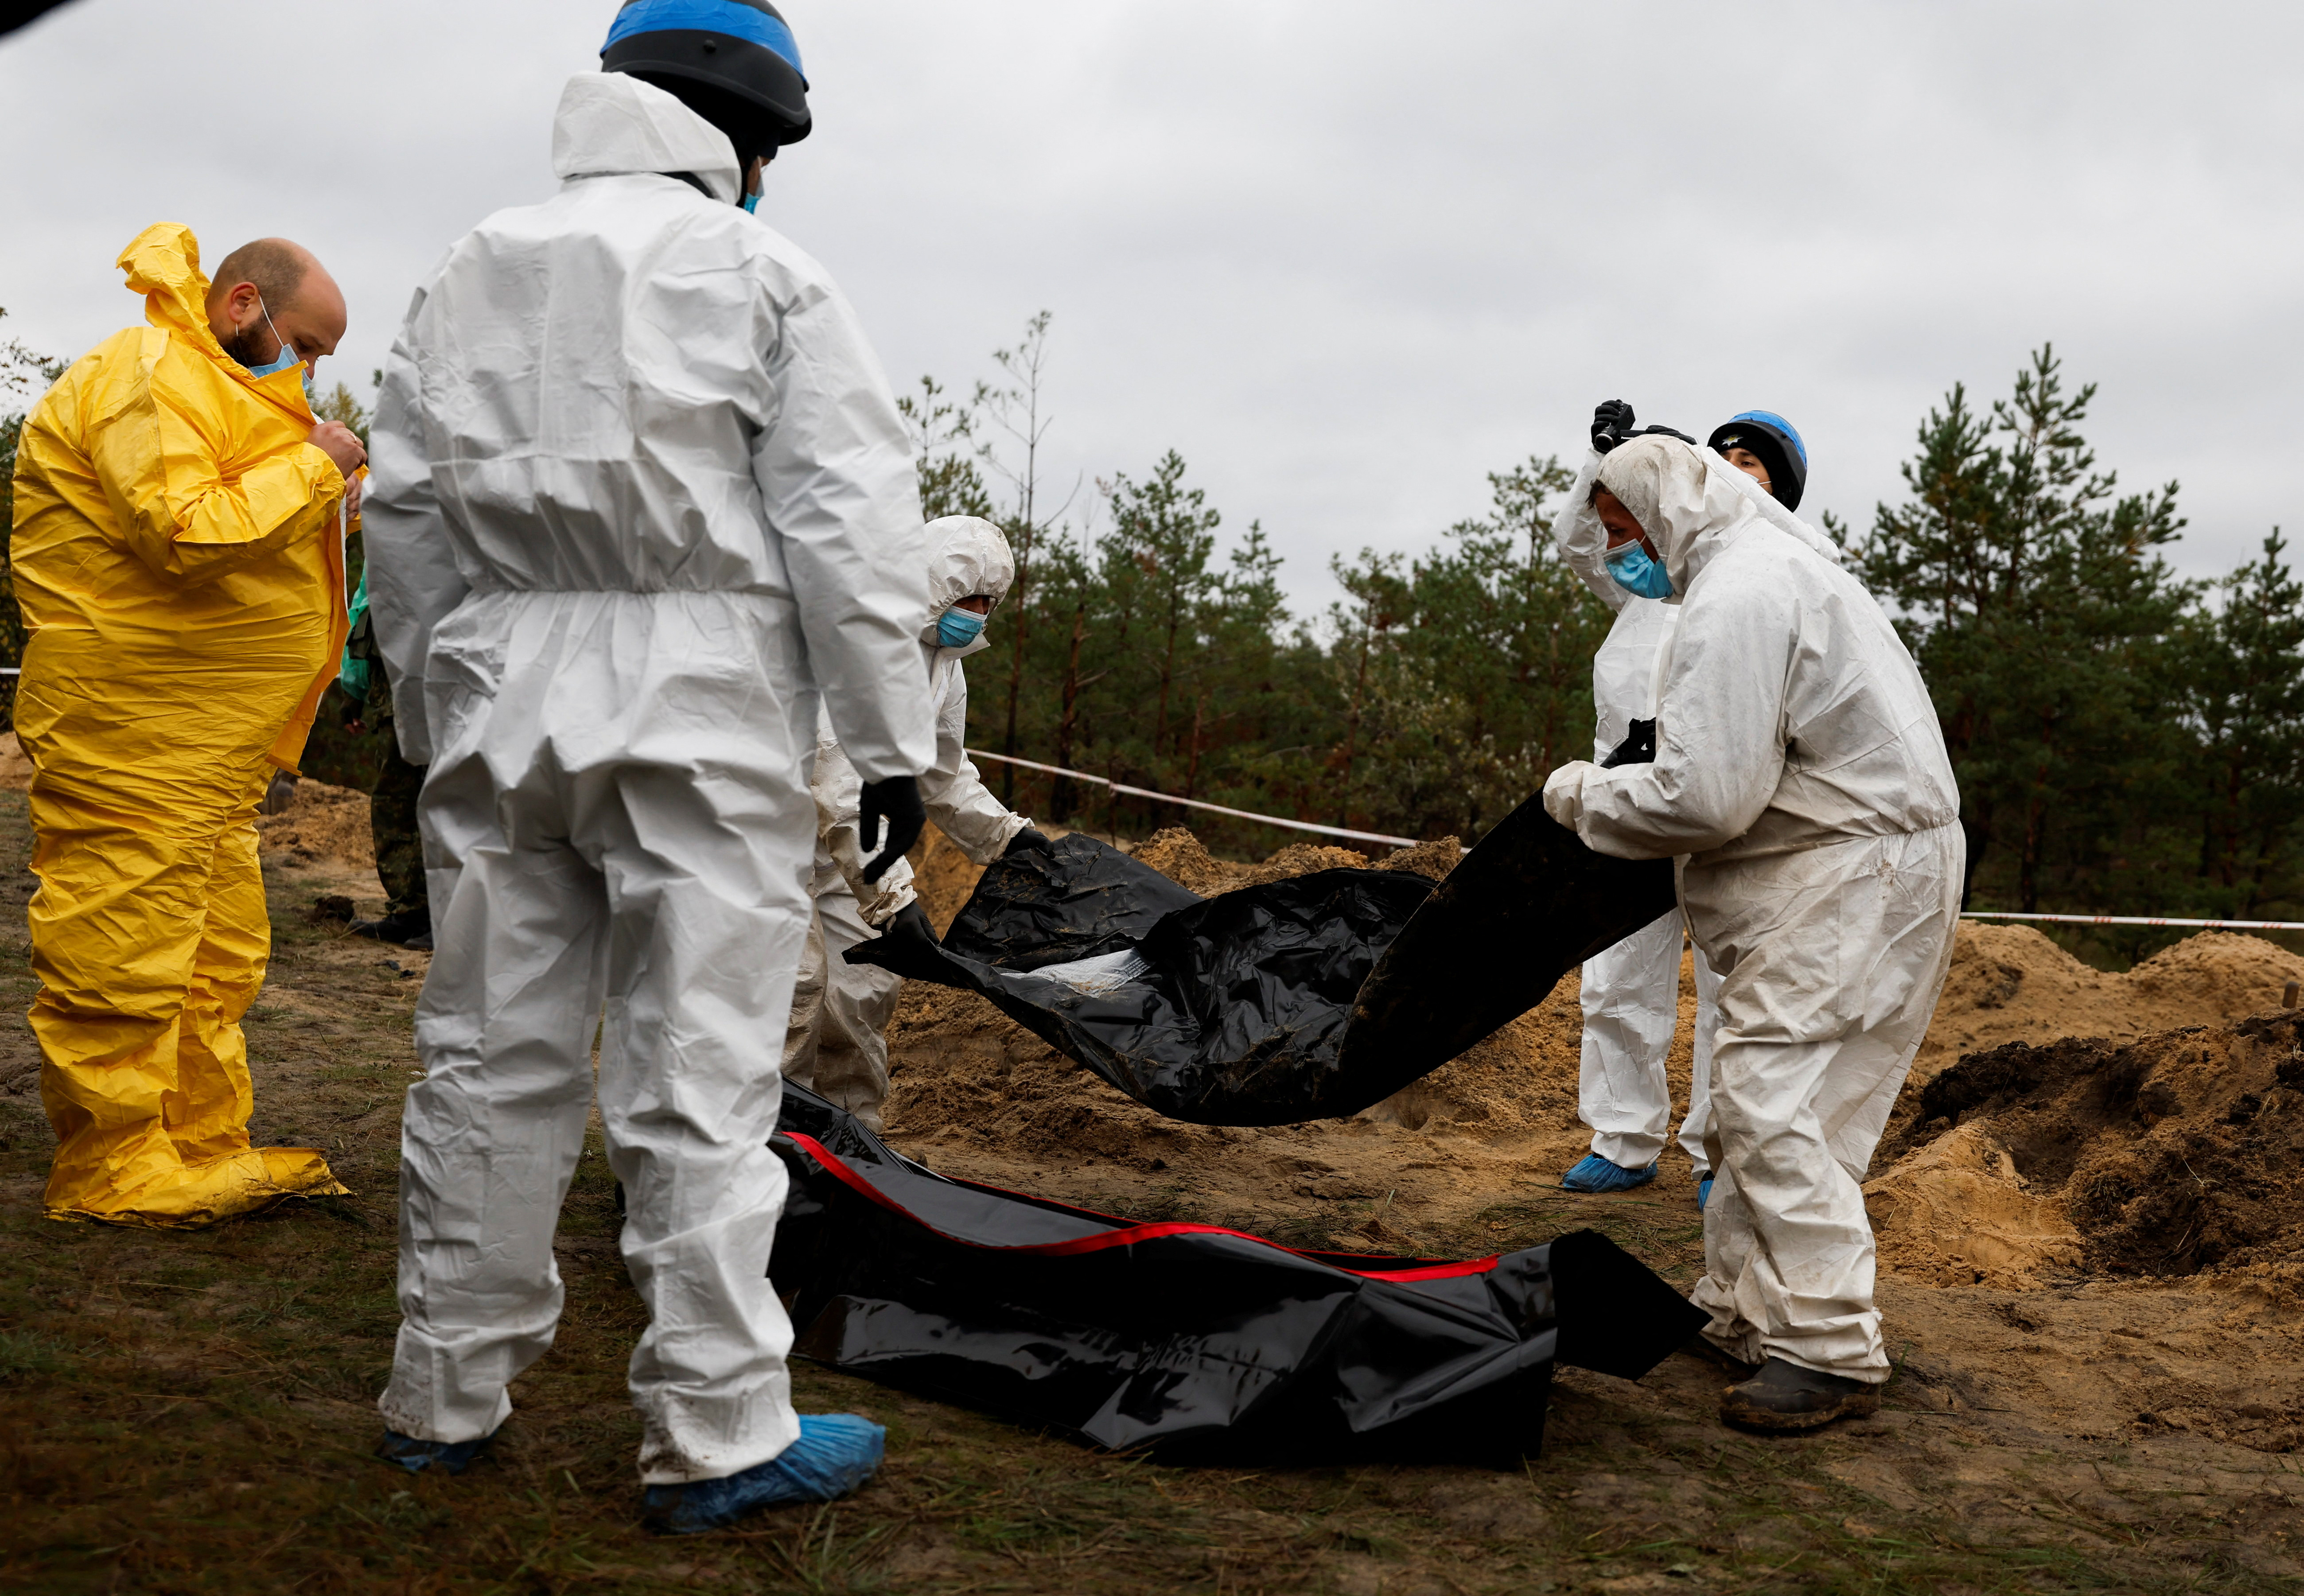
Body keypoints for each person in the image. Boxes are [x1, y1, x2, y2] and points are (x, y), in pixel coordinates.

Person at [362, 0, 934, 1533]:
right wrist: (892, 746)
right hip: (701, 703)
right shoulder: (763, 274)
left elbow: (402, 518)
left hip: (497, 695)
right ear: (754, 126)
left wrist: (431, 717)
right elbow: (849, 531)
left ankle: (442, 1394)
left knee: (488, 1055)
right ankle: (720, 1430)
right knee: (701, 1075)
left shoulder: (467, 265)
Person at [1543, 435, 1961, 1433]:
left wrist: (1578, 795)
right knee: (1765, 1108)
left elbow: (1708, 797)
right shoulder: (1775, 568)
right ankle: (1743, 1310)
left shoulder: (1739, 592)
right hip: (1869, 865)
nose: (1615, 553)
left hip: (1849, 875)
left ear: (1667, 510)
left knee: (1771, 1100)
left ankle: (1828, 1348)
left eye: (1620, 532)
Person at [10, 226, 362, 1227]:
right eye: (308, 344)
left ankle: (200, 1144)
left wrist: (332, 485)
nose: (311, 369)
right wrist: (315, 471)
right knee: (121, 946)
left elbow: (250, 521)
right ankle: (112, 1166)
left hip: (204, 754)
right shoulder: (147, 370)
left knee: (212, 957)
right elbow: (183, 530)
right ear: (242, 304)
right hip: (132, 733)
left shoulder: (225, 393)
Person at [1552, 402, 1822, 1208]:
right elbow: (1580, 542)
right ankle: (1623, 1138)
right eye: (1721, 460)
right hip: (1631, 803)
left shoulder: (1778, 580)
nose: (1731, 473)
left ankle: (1718, 1152)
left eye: (1753, 465)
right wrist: (1610, 461)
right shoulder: (1655, 579)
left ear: (1780, 493)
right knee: (1617, 976)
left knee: (1729, 986)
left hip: (1731, 810)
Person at [784, 515, 1048, 1129]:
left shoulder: (943, 665)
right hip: (761, 832)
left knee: (864, 982)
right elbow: (837, 780)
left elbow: (939, 771)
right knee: (788, 988)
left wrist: (1007, 836)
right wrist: (894, 900)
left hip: (838, 847)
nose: (978, 613)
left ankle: (850, 1144)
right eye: (968, 597)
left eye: (990, 601)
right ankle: (749, 1153)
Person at [336, 570, 431, 949]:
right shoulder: (387, 531)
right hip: (392, 693)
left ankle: (451, 918)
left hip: (443, 688)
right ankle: (410, 912)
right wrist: (354, 690)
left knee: (444, 802)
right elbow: (365, 606)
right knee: (396, 802)